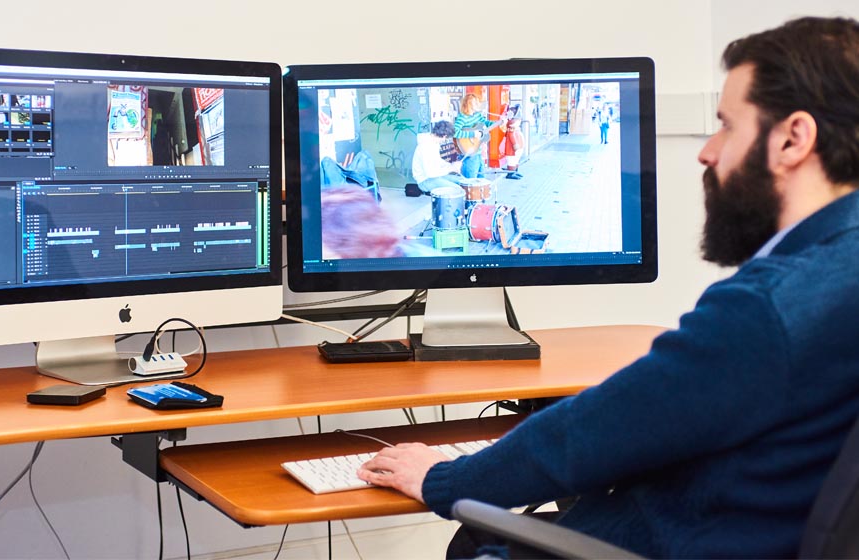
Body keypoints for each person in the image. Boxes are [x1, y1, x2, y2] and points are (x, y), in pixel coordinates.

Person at [358, 16, 859, 559]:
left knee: (478, 539)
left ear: (793, 138)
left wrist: (442, 479)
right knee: (484, 529)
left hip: (677, 538)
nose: (706, 150)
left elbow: (588, 437)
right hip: (743, 525)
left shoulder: (772, 306)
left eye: (726, 125)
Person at [454, 93, 505, 179]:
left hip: (478, 152)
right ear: (469, 104)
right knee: (470, 181)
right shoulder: (462, 118)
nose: (478, 104)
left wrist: (499, 123)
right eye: (476, 103)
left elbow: (486, 123)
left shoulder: (477, 115)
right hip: (469, 154)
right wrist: (473, 134)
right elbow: (455, 132)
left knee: (481, 179)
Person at [412, 120, 464, 194]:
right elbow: (431, 173)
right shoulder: (425, 147)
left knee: (461, 181)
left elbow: (438, 161)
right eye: (446, 139)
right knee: (458, 190)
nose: (445, 141)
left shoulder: (434, 143)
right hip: (425, 181)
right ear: (444, 136)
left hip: (435, 177)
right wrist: (451, 168)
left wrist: (451, 165)